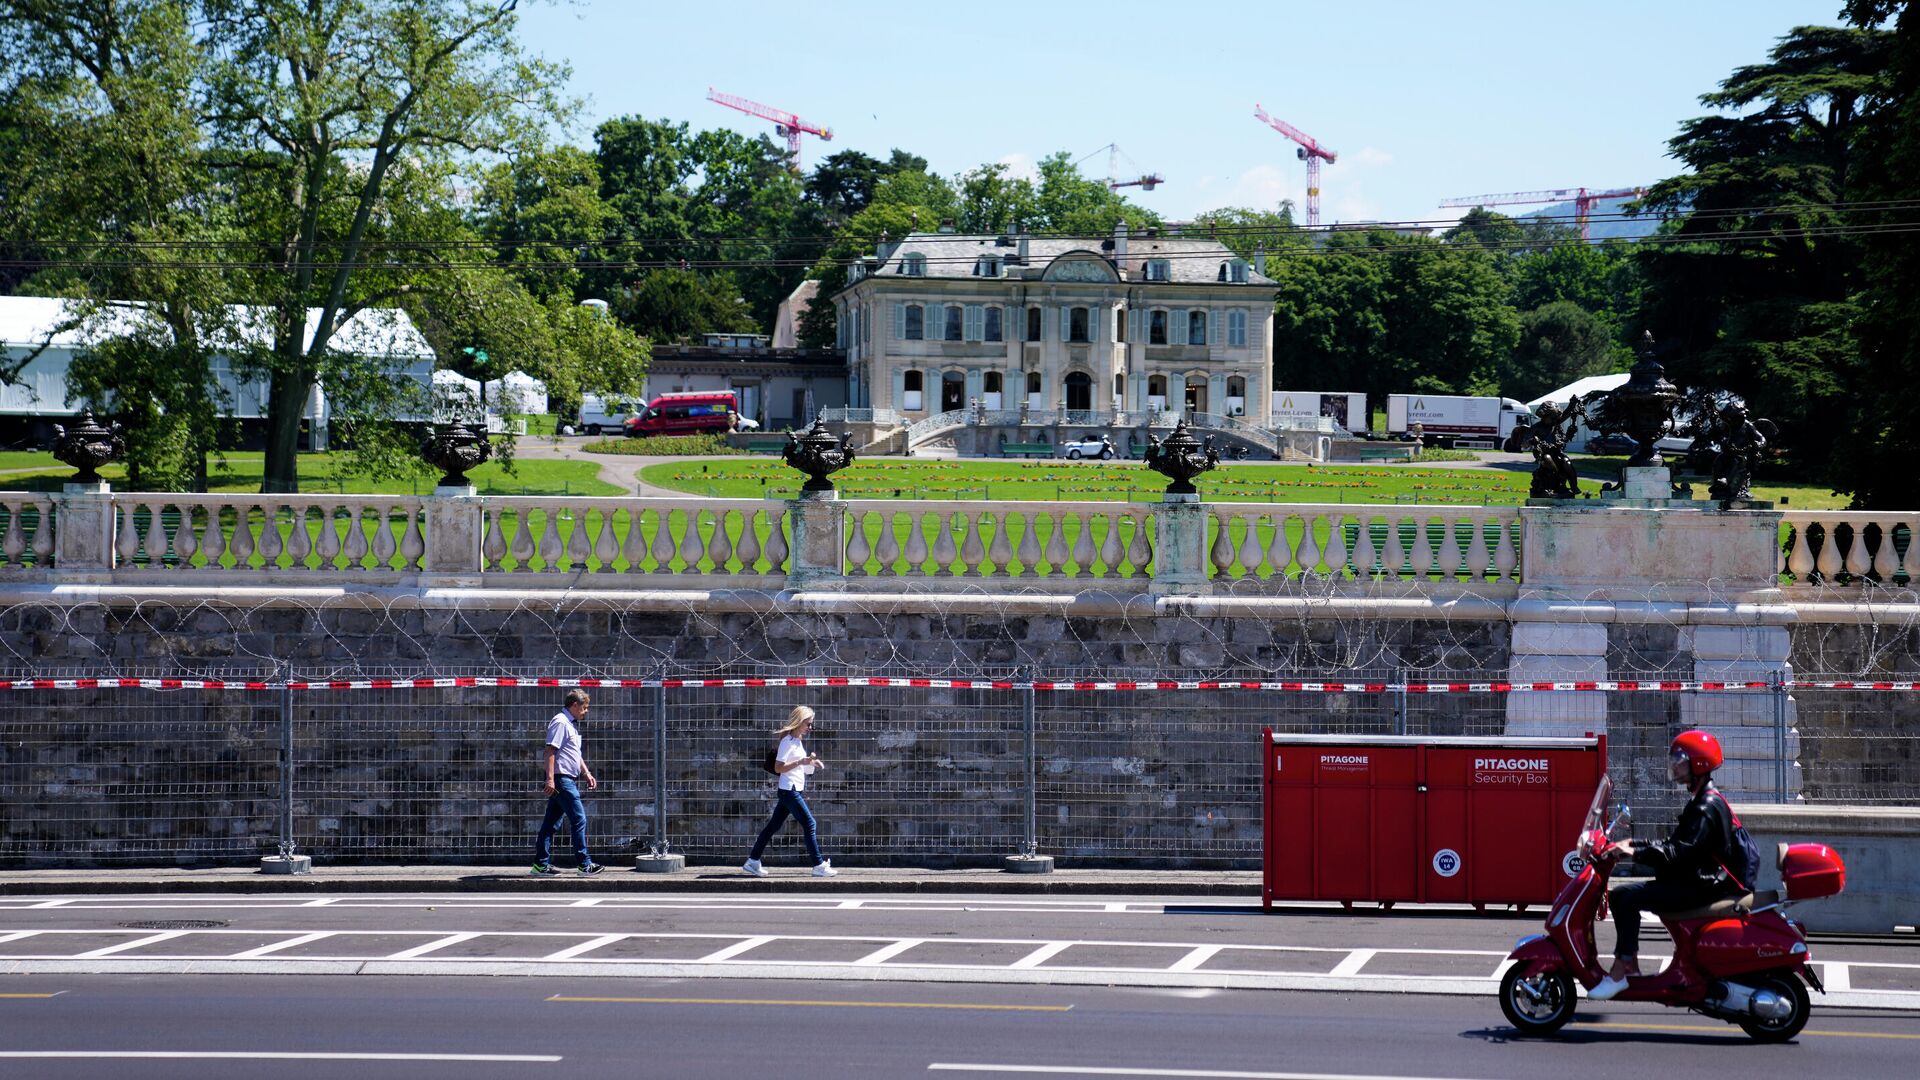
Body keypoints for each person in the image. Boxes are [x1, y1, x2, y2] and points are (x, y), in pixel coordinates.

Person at [1589, 730, 1745, 999]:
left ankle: (1622, 969)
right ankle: (1630, 967)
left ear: (1699, 764)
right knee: (1625, 894)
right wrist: (1633, 845)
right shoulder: (1704, 800)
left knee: (1625, 896)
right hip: (1701, 880)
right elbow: (1676, 845)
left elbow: (1677, 852)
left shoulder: (1705, 807)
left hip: (1703, 886)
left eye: (1680, 759)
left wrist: (1634, 854)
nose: (1674, 765)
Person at [742, 705, 836, 878]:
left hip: (792, 790)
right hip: (789, 790)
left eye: (811, 724)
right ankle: (818, 865)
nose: (810, 728)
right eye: (808, 724)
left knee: (773, 826)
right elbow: (779, 767)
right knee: (810, 823)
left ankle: (752, 861)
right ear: (799, 722)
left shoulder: (797, 741)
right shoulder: (787, 742)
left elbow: (797, 766)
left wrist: (810, 763)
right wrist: (801, 762)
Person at [531, 689, 604, 876]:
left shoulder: (571, 725)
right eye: (584, 707)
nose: (586, 711)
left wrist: (586, 772)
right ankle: (584, 864)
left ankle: (540, 865)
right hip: (562, 780)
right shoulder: (560, 722)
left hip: (565, 778)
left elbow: (574, 754)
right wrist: (550, 779)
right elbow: (550, 751)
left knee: (551, 824)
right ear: (574, 705)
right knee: (579, 819)